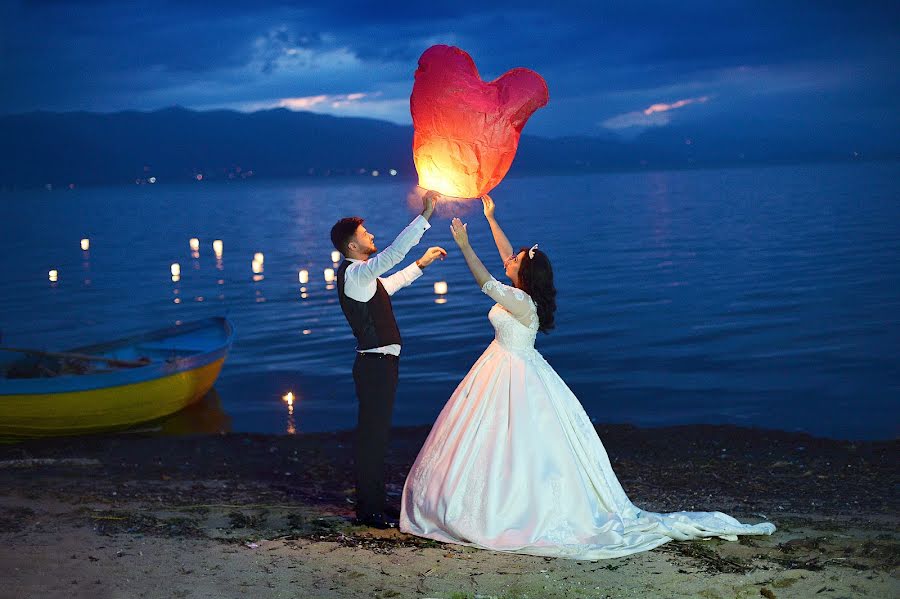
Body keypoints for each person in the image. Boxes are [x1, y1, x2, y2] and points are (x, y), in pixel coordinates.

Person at [400, 194, 775, 559]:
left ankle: (506, 509)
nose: (508, 259)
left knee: (516, 442)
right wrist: (491, 218)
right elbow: (503, 256)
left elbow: (485, 281)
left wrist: (464, 245)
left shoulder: (521, 301)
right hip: (499, 367)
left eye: (514, 260)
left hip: (513, 373)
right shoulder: (520, 292)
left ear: (524, 273)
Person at [330, 190, 446, 529]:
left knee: (376, 437)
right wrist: (425, 217)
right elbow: (393, 254)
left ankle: (374, 505)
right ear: (352, 246)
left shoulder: (363, 278)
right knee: (372, 438)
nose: (372, 236)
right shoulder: (355, 274)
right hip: (374, 366)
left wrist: (421, 265)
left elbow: (389, 284)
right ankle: (369, 511)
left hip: (380, 365)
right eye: (366, 235)